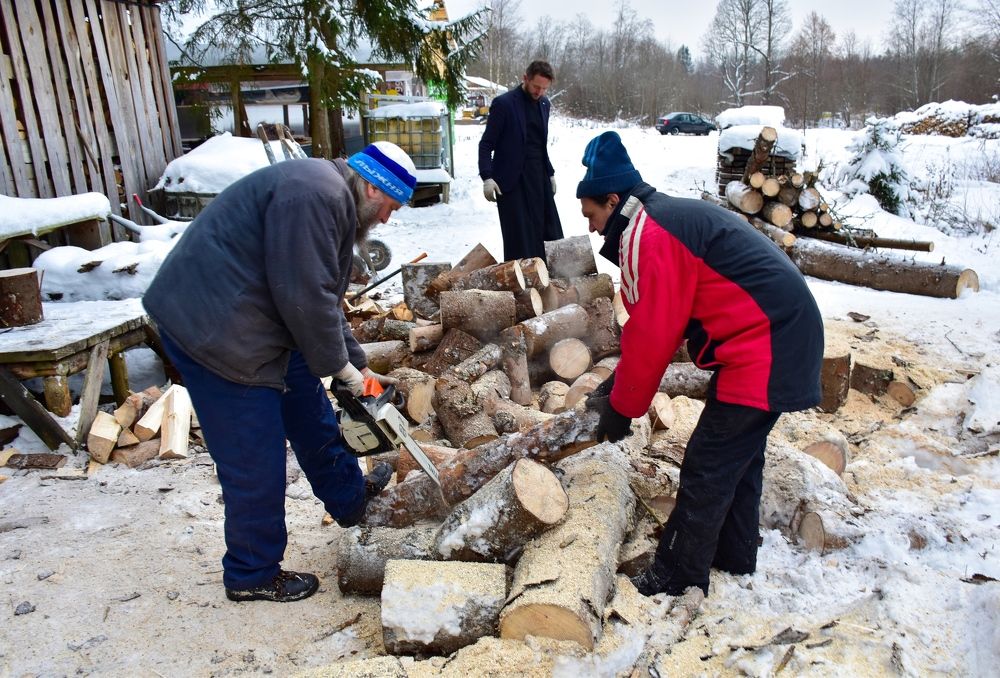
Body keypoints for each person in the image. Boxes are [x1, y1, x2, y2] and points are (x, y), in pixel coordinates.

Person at [142, 142, 418, 603]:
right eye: (390, 207)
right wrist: (342, 370)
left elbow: (323, 298)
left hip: (258, 319)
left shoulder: (330, 197)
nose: (387, 220)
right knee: (255, 453)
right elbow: (304, 297)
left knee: (310, 412)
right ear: (373, 187)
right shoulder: (317, 195)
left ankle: (350, 498)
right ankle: (251, 572)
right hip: (217, 328)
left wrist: (359, 367)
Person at [575, 131, 824, 597]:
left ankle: (678, 574)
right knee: (737, 458)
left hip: (768, 342)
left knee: (708, 463)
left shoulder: (651, 233)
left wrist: (623, 407)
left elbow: (654, 333)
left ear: (613, 200)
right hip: (775, 335)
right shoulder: (659, 220)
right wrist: (615, 386)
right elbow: (660, 322)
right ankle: (733, 553)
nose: (590, 228)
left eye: (591, 214)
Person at [478, 60, 564, 261]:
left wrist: (550, 173)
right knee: (519, 240)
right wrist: (487, 177)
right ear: (525, 78)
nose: (539, 92)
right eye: (536, 86)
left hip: (538, 177)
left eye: (544, 88)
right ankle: (520, 279)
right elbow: (486, 144)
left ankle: (551, 277)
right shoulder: (504, 104)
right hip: (511, 183)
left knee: (550, 233)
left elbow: (540, 144)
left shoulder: (544, 104)